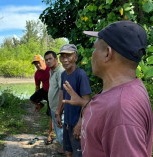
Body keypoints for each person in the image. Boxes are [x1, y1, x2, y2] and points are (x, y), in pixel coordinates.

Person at [63, 20, 153, 157]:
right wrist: (83, 103)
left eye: (95, 48)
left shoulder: (123, 109)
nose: (92, 54)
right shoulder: (127, 89)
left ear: (107, 53)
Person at [55, 44, 92, 157]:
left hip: (77, 122)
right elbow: (62, 93)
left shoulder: (81, 75)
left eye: (68, 56)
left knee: (78, 153)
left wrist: (80, 123)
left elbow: (86, 102)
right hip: (67, 120)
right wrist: (58, 111)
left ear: (75, 57)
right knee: (68, 151)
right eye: (62, 56)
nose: (65, 60)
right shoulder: (63, 74)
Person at [44, 51, 65, 154]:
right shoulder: (51, 71)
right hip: (53, 107)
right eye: (46, 60)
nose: (48, 61)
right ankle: (65, 149)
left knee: (61, 132)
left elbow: (63, 91)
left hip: (59, 109)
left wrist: (58, 110)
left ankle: (67, 151)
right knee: (59, 131)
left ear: (56, 59)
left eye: (50, 59)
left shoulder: (60, 72)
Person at [30, 54, 53, 144]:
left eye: (38, 62)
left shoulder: (50, 69)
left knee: (51, 114)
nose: (37, 65)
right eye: (35, 64)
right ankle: (41, 105)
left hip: (53, 92)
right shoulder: (37, 74)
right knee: (32, 98)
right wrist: (37, 102)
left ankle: (50, 135)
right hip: (44, 91)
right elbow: (37, 87)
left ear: (43, 61)